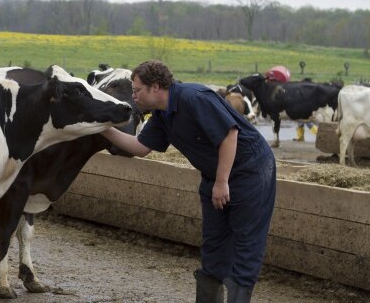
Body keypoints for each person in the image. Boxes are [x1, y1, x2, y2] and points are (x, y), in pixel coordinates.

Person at [101, 60, 276, 303]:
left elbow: (229, 134)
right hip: (216, 175)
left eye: (137, 90)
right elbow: (140, 147)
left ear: (155, 87)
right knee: (213, 244)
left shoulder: (193, 98)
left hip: (251, 170)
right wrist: (102, 128)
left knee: (246, 243)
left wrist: (221, 181)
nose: (134, 96)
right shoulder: (162, 114)